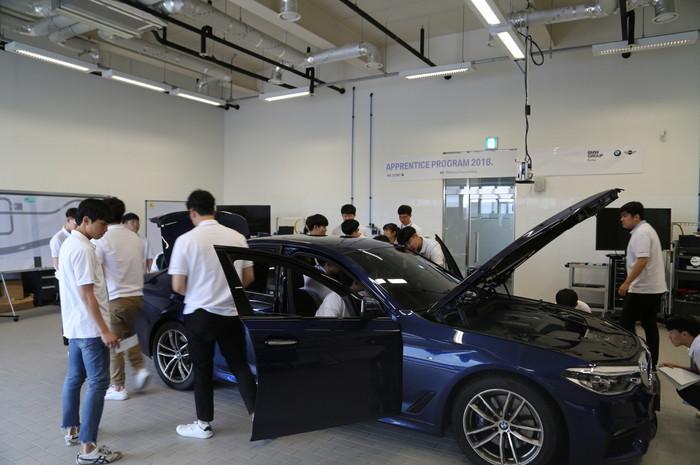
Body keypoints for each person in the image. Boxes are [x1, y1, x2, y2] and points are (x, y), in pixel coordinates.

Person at [169, 189, 256, 439]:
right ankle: (258, 416)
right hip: (230, 312)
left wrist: (199, 293)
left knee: (202, 369)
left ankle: (203, 425)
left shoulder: (186, 240)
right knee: (239, 365)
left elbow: (177, 285)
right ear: (214, 210)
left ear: (192, 212)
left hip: (199, 314)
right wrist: (226, 293)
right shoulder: (237, 237)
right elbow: (249, 277)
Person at [56, 198, 122, 464]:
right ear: (86, 221)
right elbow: (87, 295)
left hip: (74, 326)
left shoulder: (68, 244)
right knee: (98, 383)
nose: (105, 229)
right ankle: (88, 450)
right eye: (102, 224)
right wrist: (104, 330)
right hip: (90, 329)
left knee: (74, 378)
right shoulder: (83, 249)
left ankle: (73, 430)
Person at [94, 198, 150, 402]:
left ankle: (118, 387)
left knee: (114, 344)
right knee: (129, 336)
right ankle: (140, 369)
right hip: (137, 296)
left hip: (116, 298)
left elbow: (96, 271)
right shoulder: (135, 238)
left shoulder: (103, 239)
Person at [618, 201, 667, 368]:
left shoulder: (642, 233)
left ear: (636, 217)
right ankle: (651, 363)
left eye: (625, 216)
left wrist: (627, 283)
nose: (622, 219)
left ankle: (634, 359)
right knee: (649, 324)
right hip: (652, 287)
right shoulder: (646, 230)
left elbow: (642, 260)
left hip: (643, 289)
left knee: (625, 324)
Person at [660, 316, 700, 413]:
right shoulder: (695, 344)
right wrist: (676, 367)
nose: (669, 336)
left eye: (671, 333)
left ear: (684, 334)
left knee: (685, 388)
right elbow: (698, 371)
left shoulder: (698, 349)